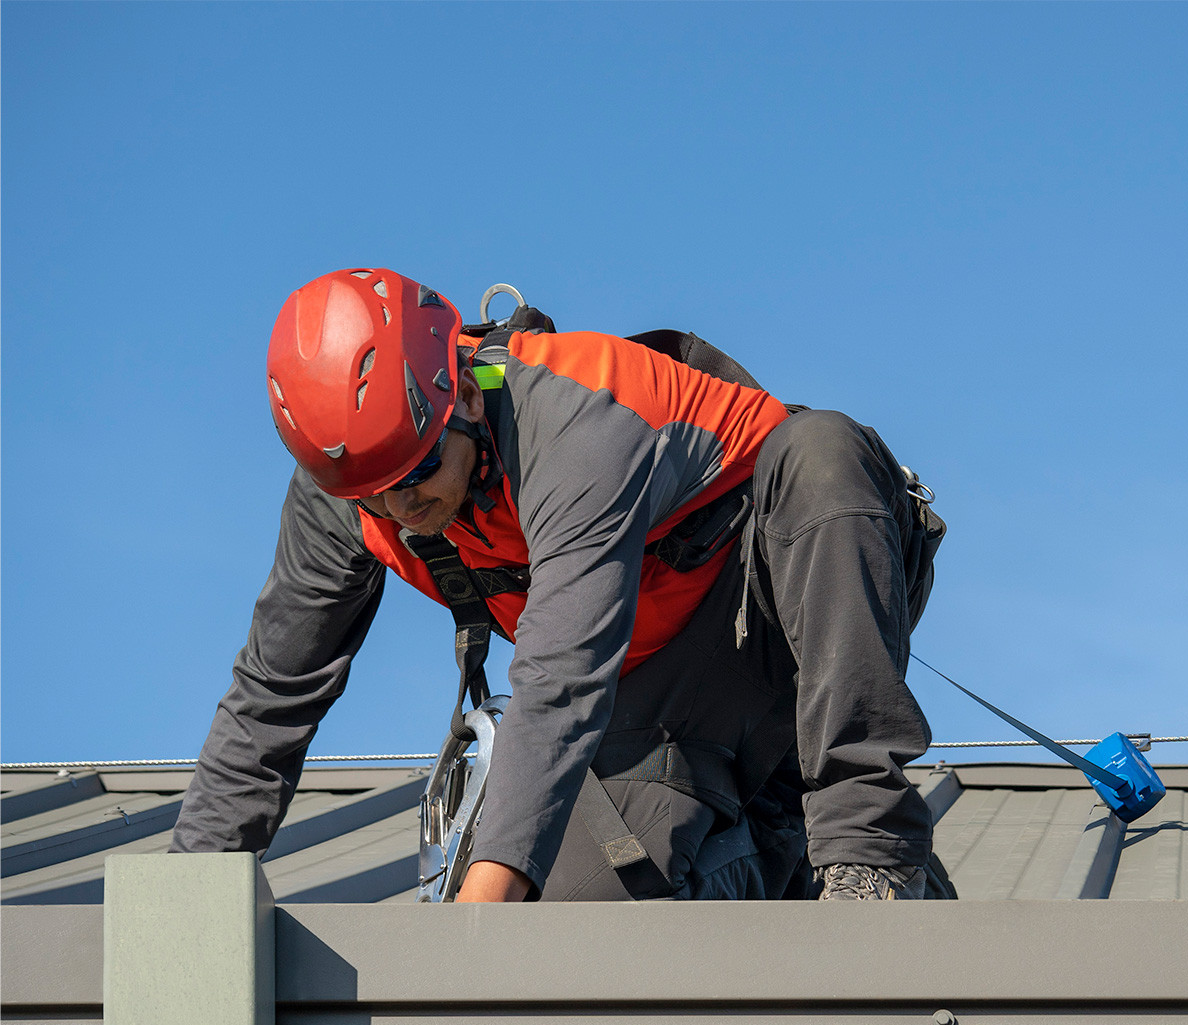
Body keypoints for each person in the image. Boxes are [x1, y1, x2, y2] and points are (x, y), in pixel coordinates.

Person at [170, 268, 946, 902]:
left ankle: (869, 852)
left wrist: (475, 929)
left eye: (419, 469)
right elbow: (273, 692)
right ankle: (783, 850)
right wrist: (182, 905)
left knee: (821, 450)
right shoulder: (343, 494)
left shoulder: (574, 416)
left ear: (463, 395)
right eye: (373, 495)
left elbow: (561, 677)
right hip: (654, 690)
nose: (401, 506)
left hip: (779, 602)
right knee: (578, 919)